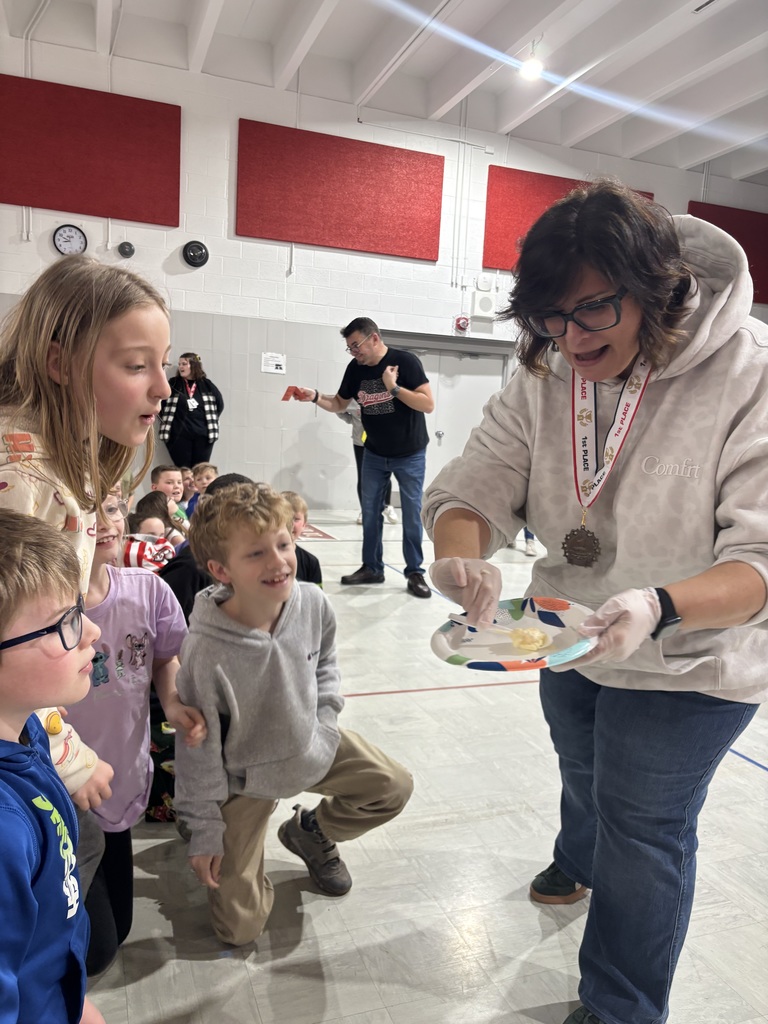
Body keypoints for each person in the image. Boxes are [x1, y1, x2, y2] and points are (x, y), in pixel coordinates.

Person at [422, 178, 768, 1024]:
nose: (567, 339)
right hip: (563, 631)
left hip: (693, 653)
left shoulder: (749, 375)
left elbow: (760, 562)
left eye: (591, 312)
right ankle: (578, 854)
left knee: (643, 829)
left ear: (655, 289)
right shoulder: (547, 364)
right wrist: (460, 557)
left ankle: (620, 1005)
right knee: (583, 768)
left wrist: (657, 606)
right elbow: (482, 477)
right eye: (547, 319)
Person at [174, 483, 413, 946]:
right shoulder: (205, 651)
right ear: (221, 570)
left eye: (283, 544)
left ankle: (309, 831)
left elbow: (325, 663)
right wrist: (206, 828)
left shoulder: (313, 602)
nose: (279, 561)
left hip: (311, 745)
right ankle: (236, 854)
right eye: (257, 553)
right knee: (238, 931)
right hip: (244, 781)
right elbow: (197, 747)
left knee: (392, 786)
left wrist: (324, 724)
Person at [0, 255, 171, 816]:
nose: (163, 388)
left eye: (163, 364)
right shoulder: (20, 481)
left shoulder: (56, 461)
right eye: (136, 366)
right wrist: (69, 755)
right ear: (59, 363)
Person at [65, 493, 202, 976]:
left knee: (116, 930)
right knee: (93, 948)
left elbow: (165, 657)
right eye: (88, 510)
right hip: (64, 794)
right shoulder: (41, 606)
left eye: (113, 508)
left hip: (121, 780)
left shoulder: (149, 590)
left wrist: (173, 702)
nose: (104, 523)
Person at [0, 509, 105, 1024]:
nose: (91, 630)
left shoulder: (28, 727)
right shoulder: (2, 830)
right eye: (64, 621)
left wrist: (72, 998)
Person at [294, 317, 434, 599]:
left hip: (410, 453)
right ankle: (372, 567)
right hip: (374, 452)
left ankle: (415, 572)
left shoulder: (404, 362)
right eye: (349, 348)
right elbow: (339, 403)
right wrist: (315, 397)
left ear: (374, 338)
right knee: (370, 513)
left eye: (356, 345)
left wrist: (393, 387)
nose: (354, 352)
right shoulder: (355, 369)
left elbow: (427, 404)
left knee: (410, 513)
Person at [336, 399, 398, 525]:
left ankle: (387, 505)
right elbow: (339, 409)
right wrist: (352, 420)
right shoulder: (352, 400)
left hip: (382, 442)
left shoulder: (382, 397)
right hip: (361, 444)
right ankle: (365, 511)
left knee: (385, 473)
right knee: (363, 476)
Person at [159, 353, 224, 469]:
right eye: (179, 364)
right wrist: (169, 422)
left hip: (203, 437)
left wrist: (209, 420)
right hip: (178, 436)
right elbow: (160, 404)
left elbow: (219, 405)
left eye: (184, 364)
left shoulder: (206, 385)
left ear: (194, 365)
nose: (181, 367)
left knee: (200, 470)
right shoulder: (173, 383)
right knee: (183, 471)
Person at [281, 489, 323, 586]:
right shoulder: (264, 559)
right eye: (285, 517)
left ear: (304, 524)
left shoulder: (311, 563)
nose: (290, 524)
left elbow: (316, 599)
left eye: (296, 519)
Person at [150, 464, 189, 528]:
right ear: (154, 488)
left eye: (179, 482)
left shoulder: (179, 508)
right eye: (169, 482)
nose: (177, 486)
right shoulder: (152, 510)